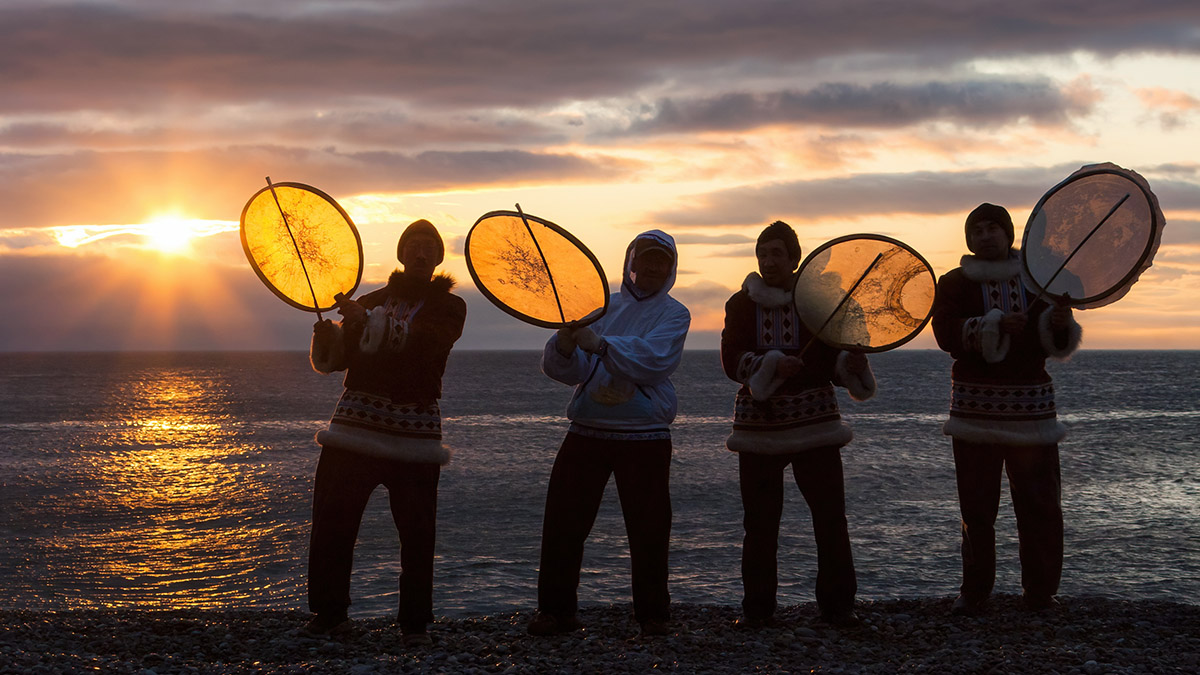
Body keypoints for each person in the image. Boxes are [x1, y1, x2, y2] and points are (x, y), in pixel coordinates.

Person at [304, 219, 467, 644]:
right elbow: (336, 361)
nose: (419, 252)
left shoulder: (451, 308)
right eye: (412, 245)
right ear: (400, 254)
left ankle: (414, 623)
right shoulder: (371, 301)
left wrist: (366, 320)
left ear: (436, 259)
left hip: (414, 436)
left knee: (417, 534)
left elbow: (423, 344)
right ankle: (330, 613)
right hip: (353, 427)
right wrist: (330, 337)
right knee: (332, 522)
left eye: (428, 247)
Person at [529, 230, 691, 637]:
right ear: (630, 262)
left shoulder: (676, 314)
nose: (653, 268)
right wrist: (566, 346)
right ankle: (556, 611)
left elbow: (654, 361)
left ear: (671, 268)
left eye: (662, 262)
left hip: (646, 435)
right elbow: (570, 371)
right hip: (587, 430)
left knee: (649, 529)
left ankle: (653, 616)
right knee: (563, 523)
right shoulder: (600, 308)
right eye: (647, 259)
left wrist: (600, 346)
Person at [720, 220, 876, 628]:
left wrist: (851, 363)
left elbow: (834, 360)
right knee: (759, 524)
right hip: (759, 430)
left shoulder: (820, 303)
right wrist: (771, 363)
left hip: (816, 427)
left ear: (794, 260)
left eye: (777, 254)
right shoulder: (740, 305)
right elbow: (730, 358)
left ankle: (839, 607)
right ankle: (757, 611)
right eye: (763, 253)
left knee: (830, 517)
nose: (769, 261)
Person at [931, 203, 1081, 615]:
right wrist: (993, 324)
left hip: (1032, 410)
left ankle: (1041, 592)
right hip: (974, 410)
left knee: (1040, 505)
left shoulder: (1041, 281)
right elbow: (945, 333)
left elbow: (1057, 337)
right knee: (976, 508)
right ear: (968, 239)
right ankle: (975, 591)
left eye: (993, 227)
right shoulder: (954, 283)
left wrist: (1059, 321)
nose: (985, 235)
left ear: (1009, 233)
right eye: (977, 229)